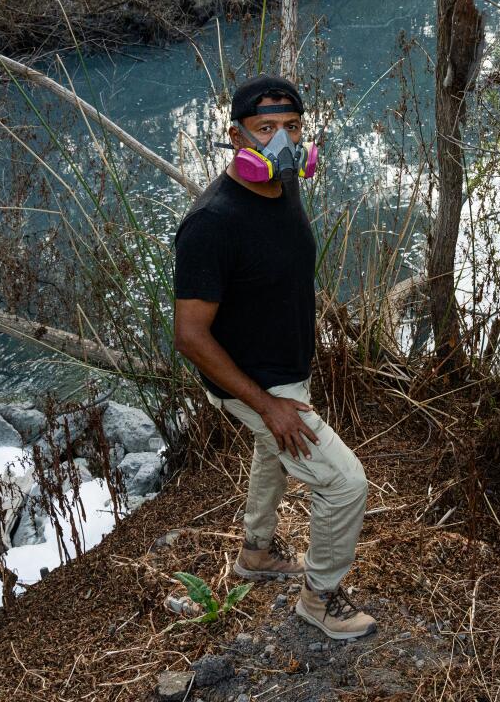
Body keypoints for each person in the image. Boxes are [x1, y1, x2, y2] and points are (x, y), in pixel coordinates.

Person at [172, 74, 376, 640]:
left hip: (285, 369)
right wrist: (269, 404)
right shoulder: (211, 225)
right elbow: (190, 336)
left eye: (292, 128)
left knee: (272, 454)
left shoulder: (285, 190)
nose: (281, 142)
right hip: (258, 381)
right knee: (344, 483)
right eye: (266, 129)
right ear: (236, 136)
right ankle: (320, 597)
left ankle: (256, 554)